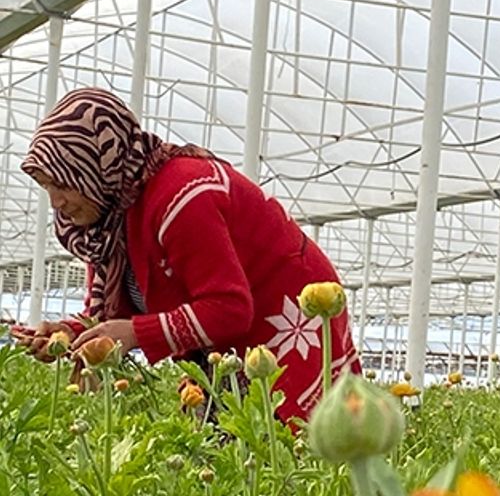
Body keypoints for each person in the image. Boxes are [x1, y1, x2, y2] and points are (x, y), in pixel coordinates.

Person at [12, 88, 359, 423]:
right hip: (227, 345)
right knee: (227, 448)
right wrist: (69, 333)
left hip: (289, 314)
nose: (56, 202)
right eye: (47, 187)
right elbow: (110, 313)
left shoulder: (182, 196)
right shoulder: (107, 222)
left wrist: (134, 333)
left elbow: (230, 307)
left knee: (285, 446)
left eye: (63, 183)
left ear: (96, 165)